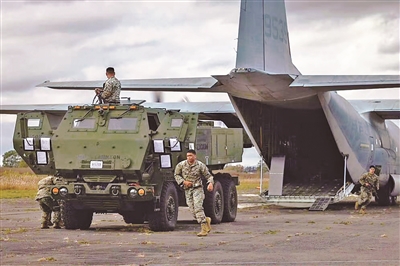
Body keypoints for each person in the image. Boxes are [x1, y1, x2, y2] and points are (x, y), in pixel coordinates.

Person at [174, 149, 214, 236]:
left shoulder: (200, 165)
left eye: (191, 156)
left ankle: (204, 229)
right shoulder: (181, 165)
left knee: (198, 207)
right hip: (187, 189)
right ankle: (206, 219)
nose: (189, 157)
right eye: (188, 156)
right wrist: (183, 182)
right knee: (193, 210)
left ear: (195, 156)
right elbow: (176, 175)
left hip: (197, 188)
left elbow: (208, 176)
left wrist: (210, 183)